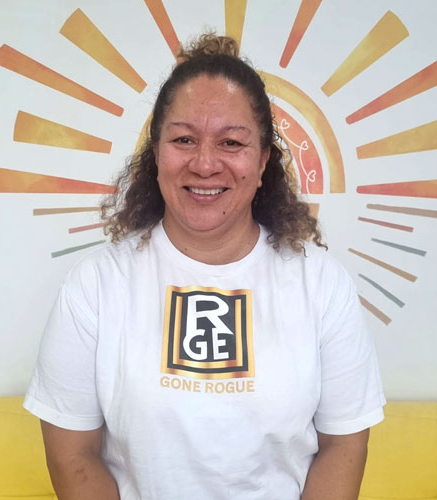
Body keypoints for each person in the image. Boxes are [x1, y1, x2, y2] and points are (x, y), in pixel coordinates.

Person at [23, 33, 385, 500]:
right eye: (184, 139)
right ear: (156, 155)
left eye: (231, 142)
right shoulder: (95, 284)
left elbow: (344, 446)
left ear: (262, 163)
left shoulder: (321, 282)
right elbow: (72, 454)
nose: (205, 163)